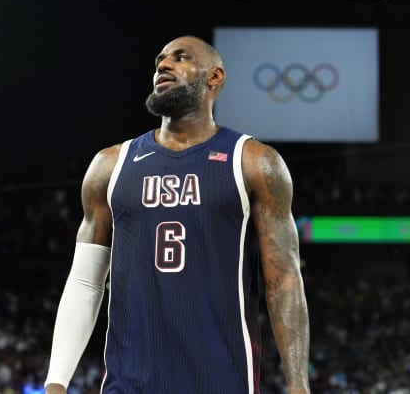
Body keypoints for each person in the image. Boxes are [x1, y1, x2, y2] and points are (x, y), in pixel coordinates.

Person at [44, 35, 310, 394]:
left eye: (180, 58)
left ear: (215, 77)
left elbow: (284, 281)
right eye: (159, 60)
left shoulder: (253, 162)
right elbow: (85, 281)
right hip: (129, 382)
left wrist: (298, 384)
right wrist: (56, 381)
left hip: (222, 380)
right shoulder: (111, 165)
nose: (163, 65)